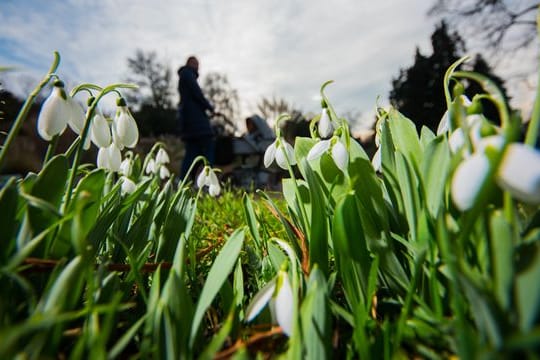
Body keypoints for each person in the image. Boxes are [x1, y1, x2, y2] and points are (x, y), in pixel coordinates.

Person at [177, 56, 215, 179]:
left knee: (192, 152)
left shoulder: (185, 76)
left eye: (198, 64)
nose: (198, 66)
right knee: (209, 146)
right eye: (195, 63)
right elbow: (197, 94)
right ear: (189, 63)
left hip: (189, 123)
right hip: (197, 123)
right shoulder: (187, 74)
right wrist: (210, 107)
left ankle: (184, 180)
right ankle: (209, 180)